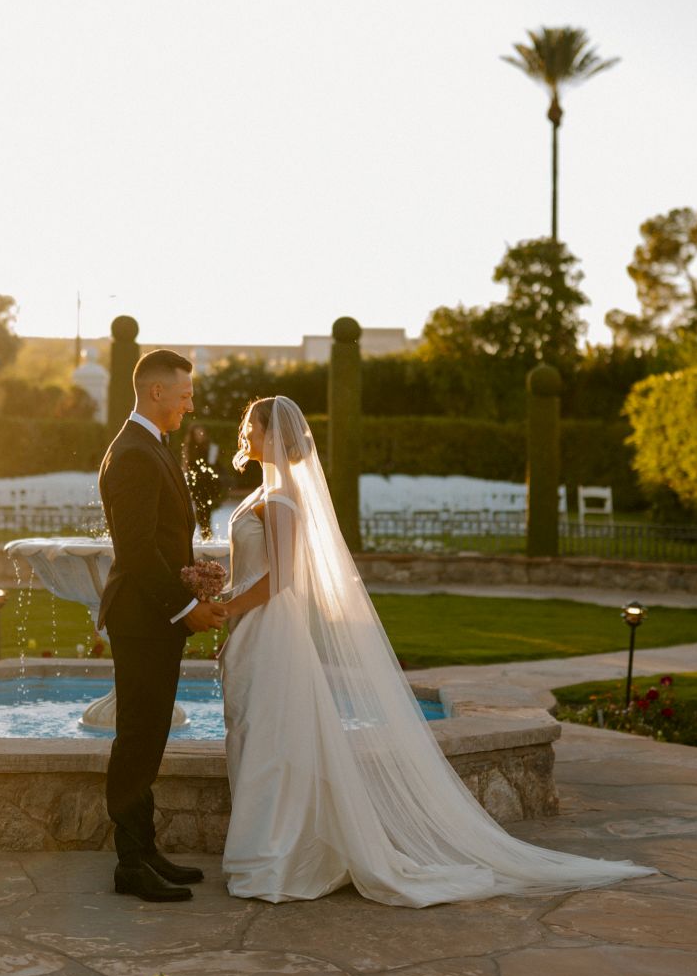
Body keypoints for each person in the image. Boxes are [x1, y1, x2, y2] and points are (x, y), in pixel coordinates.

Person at [214, 396, 653, 906]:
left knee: (273, 742)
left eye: (251, 426)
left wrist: (225, 608)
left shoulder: (284, 499)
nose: (243, 433)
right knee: (257, 735)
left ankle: (276, 857)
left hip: (272, 632)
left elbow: (283, 579)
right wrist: (223, 594)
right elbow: (256, 569)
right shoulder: (265, 493)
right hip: (254, 627)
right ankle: (267, 850)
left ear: (275, 436)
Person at [95, 349, 226, 902]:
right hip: (143, 620)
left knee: (149, 739)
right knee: (136, 740)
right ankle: (130, 864)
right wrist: (184, 606)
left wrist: (192, 577)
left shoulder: (150, 445)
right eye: (184, 394)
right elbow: (136, 551)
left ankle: (145, 851)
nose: (189, 404)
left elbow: (162, 540)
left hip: (155, 620)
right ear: (155, 392)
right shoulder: (133, 454)